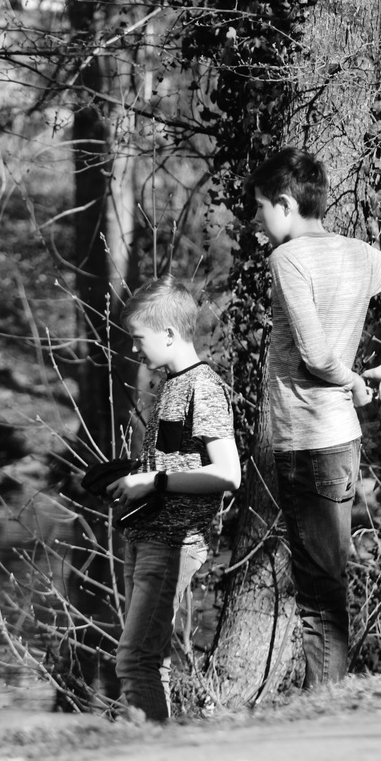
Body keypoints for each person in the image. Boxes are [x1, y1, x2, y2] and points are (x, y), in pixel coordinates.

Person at [244, 148, 381, 688]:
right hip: (341, 442)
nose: (257, 222)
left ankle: (324, 713)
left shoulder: (288, 260)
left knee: (319, 596)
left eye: (261, 209)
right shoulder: (359, 255)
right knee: (327, 585)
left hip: (308, 443)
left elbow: (317, 355)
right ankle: (329, 703)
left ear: (286, 204)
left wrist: (362, 379)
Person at [107, 275, 241, 721]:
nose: (133, 349)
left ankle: (148, 757)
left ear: (168, 334)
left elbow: (228, 473)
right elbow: (179, 462)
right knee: (152, 658)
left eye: (138, 338)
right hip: (147, 535)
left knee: (134, 659)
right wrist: (132, 476)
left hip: (171, 542)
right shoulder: (174, 384)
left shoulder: (202, 387)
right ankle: (159, 747)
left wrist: (154, 482)